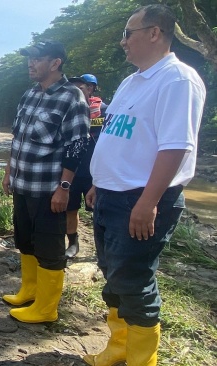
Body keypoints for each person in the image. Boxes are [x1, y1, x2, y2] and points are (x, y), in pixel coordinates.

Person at [83, 5, 206, 366]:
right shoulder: (132, 80)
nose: (123, 41)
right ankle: (119, 347)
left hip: (142, 198)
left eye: (128, 33)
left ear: (154, 33)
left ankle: (142, 360)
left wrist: (148, 202)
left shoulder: (177, 79)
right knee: (113, 274)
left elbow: (175, 146)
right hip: (110, 195)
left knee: (135, 280)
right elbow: (118, 136)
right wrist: (99, 183)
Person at [1, 40, 90, 324]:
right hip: (22, 184)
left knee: (50, 248)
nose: (31, 63)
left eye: (37, 58)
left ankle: (47, 309)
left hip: (49, 190)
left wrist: (64, 188)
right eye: (29, 58)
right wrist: (7, 172)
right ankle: (30, 290)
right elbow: (18, 139)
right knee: (25, 240)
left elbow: (77, 146)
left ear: (55, 63)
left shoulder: (72, 97)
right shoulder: (29, 95)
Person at [64, 74, 108, 258]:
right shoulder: (67, 110)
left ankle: (104, 248)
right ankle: (73, 243)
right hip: (72, 170)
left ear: (90, 88)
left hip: (96, 172)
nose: (75, 92)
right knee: (70, 209)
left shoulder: (106, 111)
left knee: (100, 210)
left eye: (80, 88)